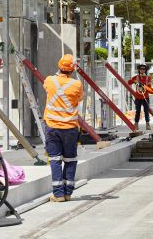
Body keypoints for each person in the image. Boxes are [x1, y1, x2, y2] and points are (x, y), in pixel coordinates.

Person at [44, 54, 83, 202]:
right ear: (72, 69)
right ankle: (68, 193)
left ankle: (58, 194)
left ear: (59, 66)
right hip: (70, 128)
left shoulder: (49, 80)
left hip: (52, 127)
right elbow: (80, 98)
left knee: (55, 160)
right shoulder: (77, 84)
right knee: (70, 160)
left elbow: (48, 88)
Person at [128, 64, 153, 131]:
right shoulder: (136, 77)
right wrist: (134, 81)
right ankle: (136, 124)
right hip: (138, 97)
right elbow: (129, 82)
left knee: (146, 111)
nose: (142, 70)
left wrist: (145, 87)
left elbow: (149, 87)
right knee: (137, 111)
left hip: (145, 97)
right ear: (139, 70)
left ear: (145, 70)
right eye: (141, 69)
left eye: (144, 69)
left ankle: (147, 124)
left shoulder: (148, 78)